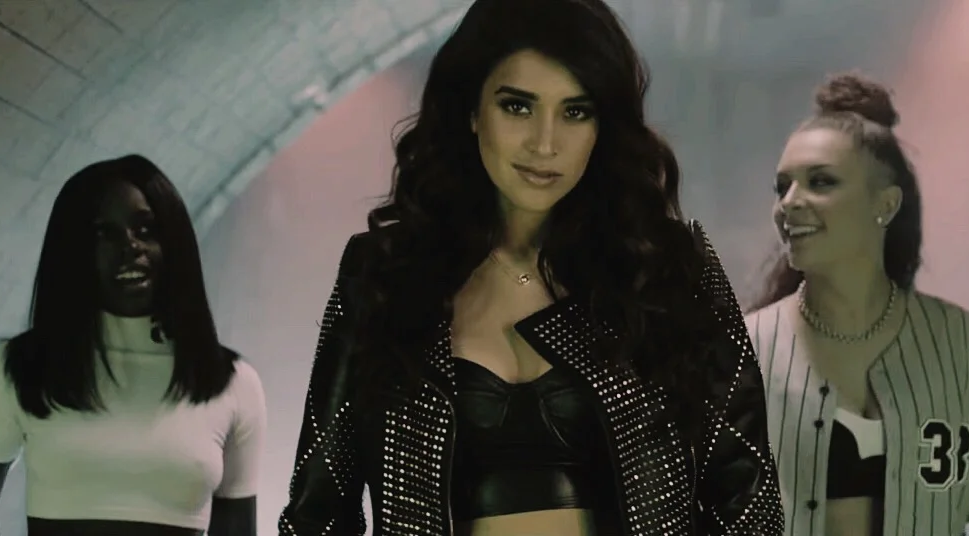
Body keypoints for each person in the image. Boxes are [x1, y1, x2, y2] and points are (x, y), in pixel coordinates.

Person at [277, 0, 783, 535]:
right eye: (518, 107)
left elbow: (748, 506)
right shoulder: (383, 275)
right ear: (472, 111)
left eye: (575, 112)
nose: (545, 144)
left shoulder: (667, 270)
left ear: (603, 125)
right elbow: (317, 514)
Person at [742, 72, 969, 536]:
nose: (789, 203)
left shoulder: (963, 346)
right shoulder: (742, 351)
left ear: (886, 205)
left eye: (821, 182)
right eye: (781, 187)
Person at [0, 155, 267, 536]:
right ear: (72, 252)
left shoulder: (233, 383)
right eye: (104, 233)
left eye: (146, 229)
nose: (130, 247)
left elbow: (237, 529)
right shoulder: (18, 370)